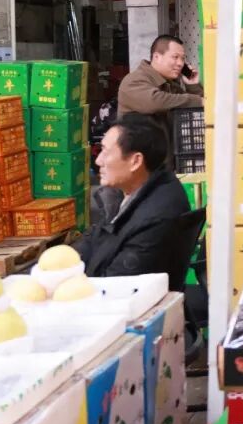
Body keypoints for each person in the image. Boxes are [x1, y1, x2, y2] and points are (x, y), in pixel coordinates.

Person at [75, 114, 196, 291]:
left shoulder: (156, 217)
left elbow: (116, 286)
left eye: (106, 152)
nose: (98, 160)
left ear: (135, 161)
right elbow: (93, 239)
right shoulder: (127, 192)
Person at [118, 34, 203, 164]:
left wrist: (192, 85)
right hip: (138, 165)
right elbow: (154, 102)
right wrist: (196, 100)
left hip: (162, 163)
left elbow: (201, 107)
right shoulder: (134, 80)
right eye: (175, 57)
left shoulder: (170, 86)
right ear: (157, 57)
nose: (180, 63)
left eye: (183, 58)